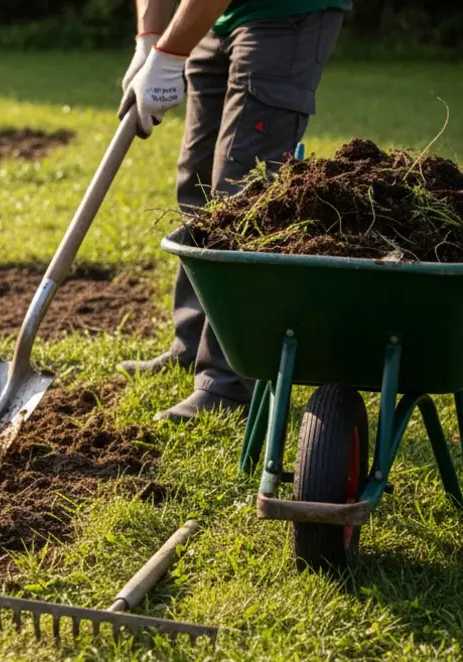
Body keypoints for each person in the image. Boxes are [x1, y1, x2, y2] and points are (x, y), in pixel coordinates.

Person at [116, 0, 350, 421]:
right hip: (216, 17)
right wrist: (149, 40)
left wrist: (168, 55)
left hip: (285, 16)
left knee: (239, 197)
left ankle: (228, 383)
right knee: (198, 184)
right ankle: (190, 344)